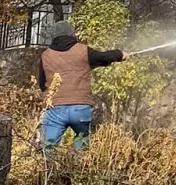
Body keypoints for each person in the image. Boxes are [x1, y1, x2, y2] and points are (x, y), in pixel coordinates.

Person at [37, 21, 128, 150]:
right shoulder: (83, 50)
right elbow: (103, 57)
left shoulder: (45, 55)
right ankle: (79, 167)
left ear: (53, 36)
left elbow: (42, 83)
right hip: (81, 108)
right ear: (72, 34)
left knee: (48, 148)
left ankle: (49, 169)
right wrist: (119, 55)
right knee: (81, 146)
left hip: (55, 108)